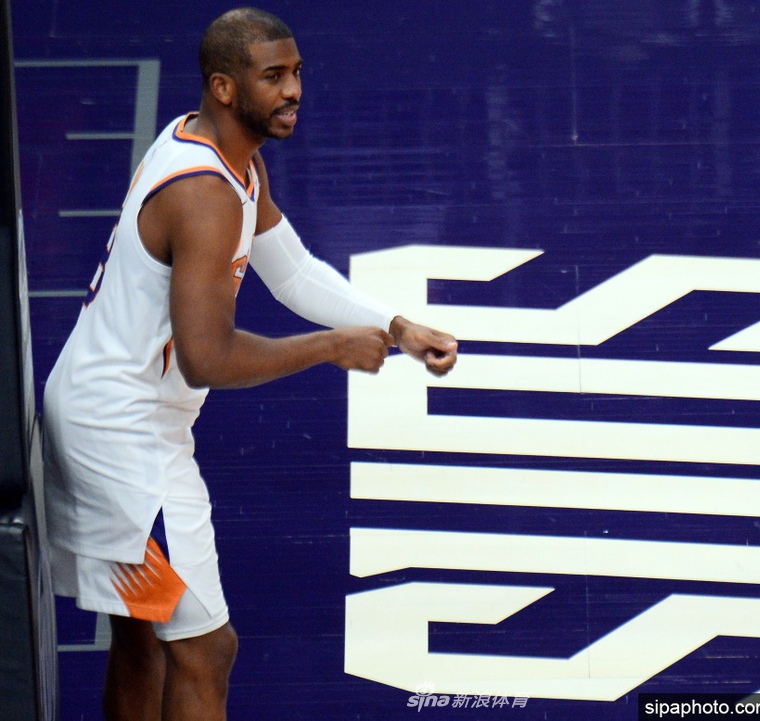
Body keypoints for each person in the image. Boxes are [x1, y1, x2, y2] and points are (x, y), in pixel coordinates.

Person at [42, 7, 458, 719]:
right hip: (124, 442)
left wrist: (394, 325)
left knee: (142, 634)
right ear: (225, 88)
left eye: (295, 72)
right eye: (274, 77)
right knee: (208, 648)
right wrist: (331, 347)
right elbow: (206, 358)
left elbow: (291, 271)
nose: (293, 90)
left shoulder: (222, 152)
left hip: (105, 406)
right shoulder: (204, 194)